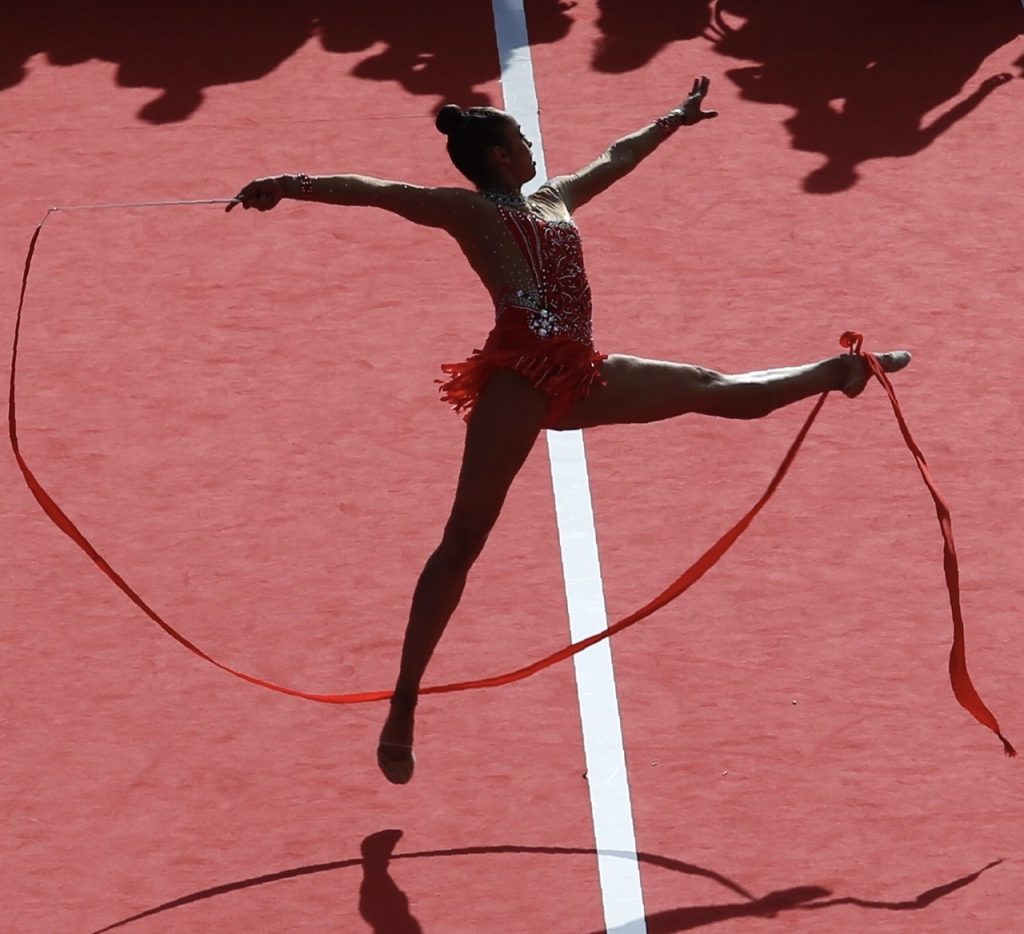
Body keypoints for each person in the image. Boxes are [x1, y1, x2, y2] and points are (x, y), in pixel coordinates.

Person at [228, 76, 910, 784]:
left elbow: (612, 161)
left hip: (581, 372)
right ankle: (404, 699)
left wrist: (669, 122)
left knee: (714, 390)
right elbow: (373, 189)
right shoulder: (465, 211)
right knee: (464, 540)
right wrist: (287, 183)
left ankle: (839, 371)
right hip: (521, 377)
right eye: (520, 141)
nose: (531, 149)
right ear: (495, 156)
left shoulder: (553, 199)